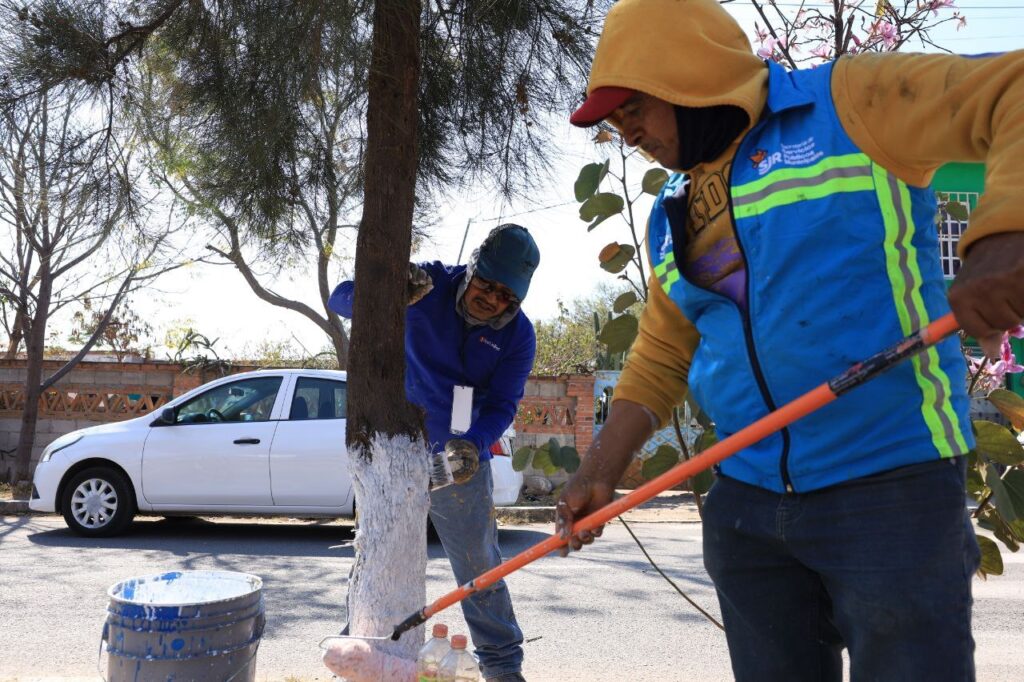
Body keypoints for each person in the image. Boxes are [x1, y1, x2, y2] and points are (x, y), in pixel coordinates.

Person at [555, 0, 1024, 680]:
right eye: (613, 124)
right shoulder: (673, 216)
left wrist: (1002, 235)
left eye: (634, 108)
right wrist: (599, 469)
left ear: (688, 78)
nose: (626, 133)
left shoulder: (850, 103)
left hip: (889, 486)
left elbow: (1011, 90)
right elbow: (659, 355)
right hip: (746, 508)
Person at [329, 223, 539, 682]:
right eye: (487, 284)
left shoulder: (518, 336)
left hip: (454, 464)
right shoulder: (427, 285)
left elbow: (503, 404)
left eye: (508, 296)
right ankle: (357, 648)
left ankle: (503, 667)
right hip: (397, 451)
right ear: (472, 268)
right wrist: (392, 293)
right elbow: (340, 298)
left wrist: (475, 444)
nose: (493, 300)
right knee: (379, 552)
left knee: (478, 568)